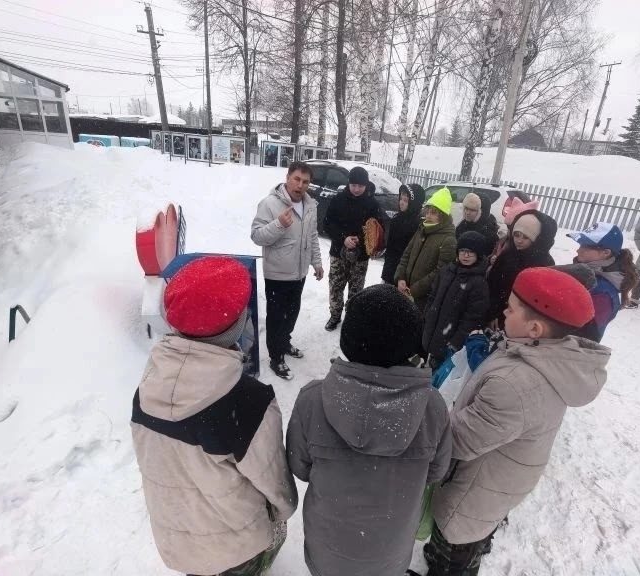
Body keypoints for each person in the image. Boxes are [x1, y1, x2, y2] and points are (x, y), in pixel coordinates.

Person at [425, 267, 611, 576]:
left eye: (511, 309)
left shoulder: (515, 384)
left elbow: (458, 440)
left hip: (472, 492)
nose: (504, 312)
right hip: (497, 480)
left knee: (454, 551)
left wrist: (422, 419)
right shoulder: (543, 355)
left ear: (535, 328)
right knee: (469, 539)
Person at [131, 256, 299, 576]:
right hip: (235, 550)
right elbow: (276, 487)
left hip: (177, 543)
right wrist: (283, 513)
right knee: (274, 533)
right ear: (236, 325)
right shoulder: (249, 402)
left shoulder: (147, 387)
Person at [286, 284, 452, 576]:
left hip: (329, 548)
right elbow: (436, 472)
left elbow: (299, 467)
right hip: (390, 551)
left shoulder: (313, 400)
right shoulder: (432, 408)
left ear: (348, 340)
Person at [251, 161, 325, 380]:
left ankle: (284, 343)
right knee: (276, 318)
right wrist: (279, 224)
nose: (300, 185)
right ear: (287, 178)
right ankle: (276, 357)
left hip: (299, 273)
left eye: (305, 182)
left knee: (292, 314)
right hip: (277, 274)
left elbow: (312, 236)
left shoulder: (310, 205)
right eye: (297, 179)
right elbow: (256, 236)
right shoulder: (269, 204)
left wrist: (317, 262)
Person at [322, 166, 388, 331]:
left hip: (361, 256)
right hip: (338, 253)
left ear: (366, 185)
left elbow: (379, 228)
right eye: (353, 185)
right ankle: (335, 315)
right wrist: (343, 238)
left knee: (356, 290)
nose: (357, 189)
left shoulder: (372, 204)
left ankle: (351, 318)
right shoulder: (338, 200)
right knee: (336, 287)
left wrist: (362, 238)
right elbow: (327, 224)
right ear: (348, 183)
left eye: (360, 185)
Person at [422, 231, 491, 368]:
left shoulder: (478, 283)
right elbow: (433, 296)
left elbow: (473, 318)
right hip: (433, 334)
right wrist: (427, 316)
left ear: (478, 254)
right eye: (463, 250)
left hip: (450, 344)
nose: (466, 255)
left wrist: (455, 342)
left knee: (439, 373)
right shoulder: (446, 271)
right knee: (429, 367)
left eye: (471, 252)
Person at [567, 222, 640, 342]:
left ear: (606, 252)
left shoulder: (602, 293)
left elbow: (583, 336)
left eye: (586, 247)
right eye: (580, 245)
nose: (578, 250)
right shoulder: (583, 271)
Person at [485, 209, 557, 327]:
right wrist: (492, 314)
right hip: (496, 313)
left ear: (536, 239)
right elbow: (492, 286)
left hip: (522, 321)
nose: (519, 240)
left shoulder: (544, 263)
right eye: (516, 235)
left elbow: (538, 300)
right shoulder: (507, 255)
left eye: (525, 237)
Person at [395, 187, 457, 312]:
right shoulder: (421, 229)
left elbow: (440, 273)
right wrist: (400, 277)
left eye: (434, 213)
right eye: (427, 212)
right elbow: (406, 255)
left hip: (423, 299)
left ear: (443, 216)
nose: (428, 216)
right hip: (405, 290)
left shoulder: (448, 239)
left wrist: (414, 290)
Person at [382, 183, 426, 285]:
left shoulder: (419, 224)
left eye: (406, 201)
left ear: (414, 203)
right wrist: (386, 274)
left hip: (405, 277)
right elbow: (390, 250)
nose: (401, 203)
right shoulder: (396, 219)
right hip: (390, 271)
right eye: (401, 199)